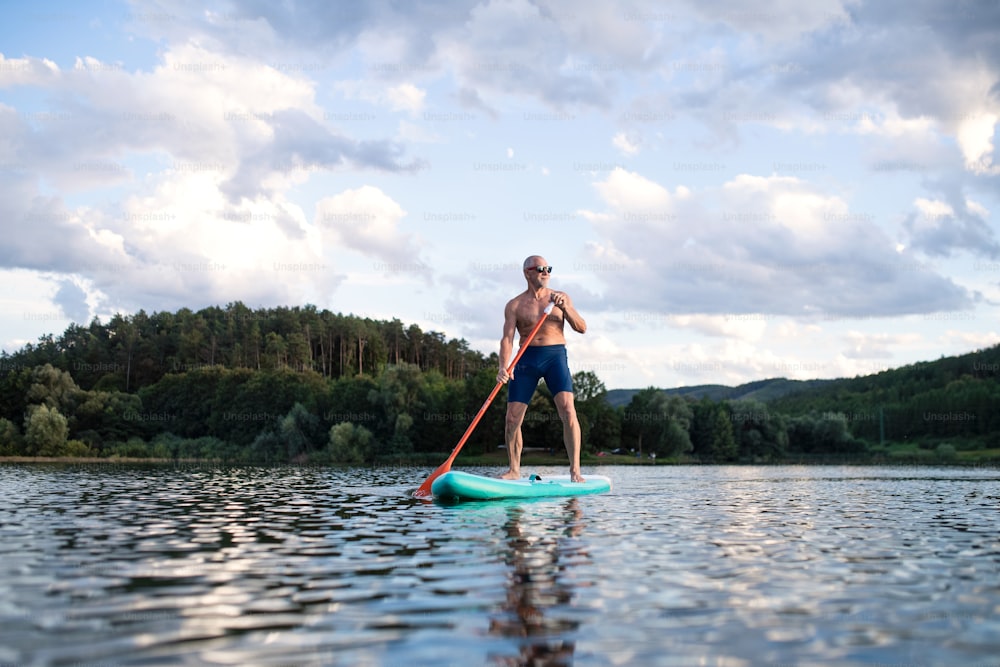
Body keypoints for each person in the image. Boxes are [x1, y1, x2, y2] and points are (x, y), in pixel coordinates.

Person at [496, 255, 587, 482]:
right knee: (512, 418)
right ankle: (514, 470)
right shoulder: (515, 305)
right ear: (527, 272)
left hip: (554, 356)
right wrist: (503, 366)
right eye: (540, 269)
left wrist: (566, 308)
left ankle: (575, 470)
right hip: (525, 359)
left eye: (548, 268)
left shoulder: (560, 298)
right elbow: (507, 339)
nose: (545, 272)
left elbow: (582, 327)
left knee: (567, 410)